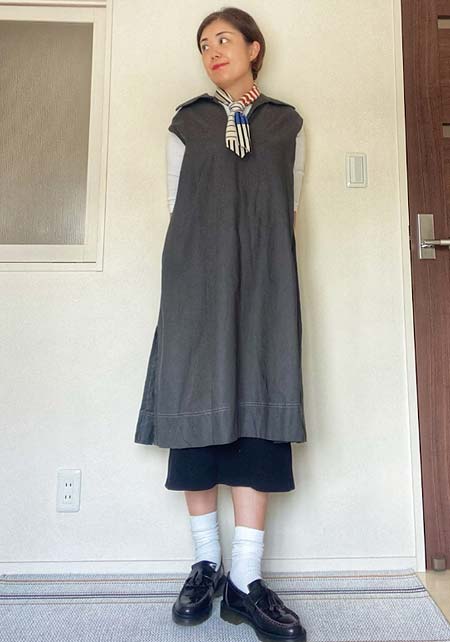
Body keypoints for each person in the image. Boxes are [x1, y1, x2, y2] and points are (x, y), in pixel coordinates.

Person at [134, 6, 307, 641]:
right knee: (196, 409)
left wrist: (255, 267)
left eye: (224, 39)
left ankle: (246, 580)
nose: (212, 50)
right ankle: (206, 565)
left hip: (263, 285)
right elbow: (174, 206)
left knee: (260, 409)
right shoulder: (188, 122)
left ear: (254, 48)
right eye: (204, 43)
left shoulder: (286, 124)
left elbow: (288, 210)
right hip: (197, 286)